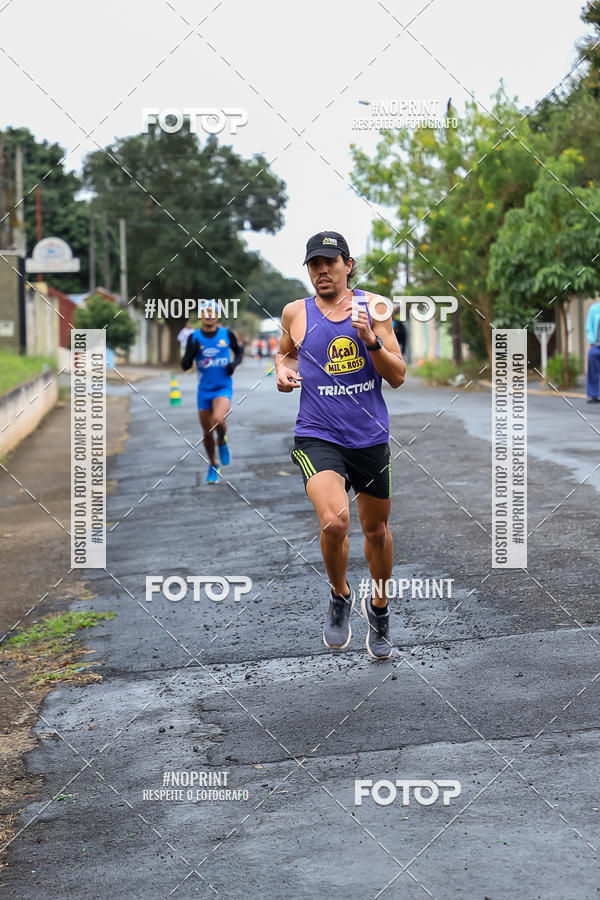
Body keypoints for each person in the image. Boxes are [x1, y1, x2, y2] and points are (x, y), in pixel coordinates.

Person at [275, 231, 406, 659]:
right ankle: (339, 593)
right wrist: (282, 370)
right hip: (317, 433)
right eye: (315, 264)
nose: (322, 270)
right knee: (335, 522)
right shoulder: (295, 312)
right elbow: (285, 354)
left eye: (330, 262)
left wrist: (371, 340)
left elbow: (398, 375)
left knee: (376, 530)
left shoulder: (376, 307)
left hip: (368, 437)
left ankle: (380, 608)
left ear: (348, 264)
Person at [181, 305, 243, 483]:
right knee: (207, 433)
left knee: (218, 419)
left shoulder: (226, 334)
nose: (209, 315)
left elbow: (240, 353)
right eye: (205, 313)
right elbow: (185, 366)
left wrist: (233, 365)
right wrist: (191, 353)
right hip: (204, 391)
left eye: (212, 312)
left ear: (217, 316)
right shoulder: (194, 337)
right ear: (201, 316)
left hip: (223, 387)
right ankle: (213, 464)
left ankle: (222, 442)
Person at [585, 299, 600, 403]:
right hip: (596, 345)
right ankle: (593, 395)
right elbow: (588, 326)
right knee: (592, 372)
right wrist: (591, 340)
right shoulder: (594, 308)